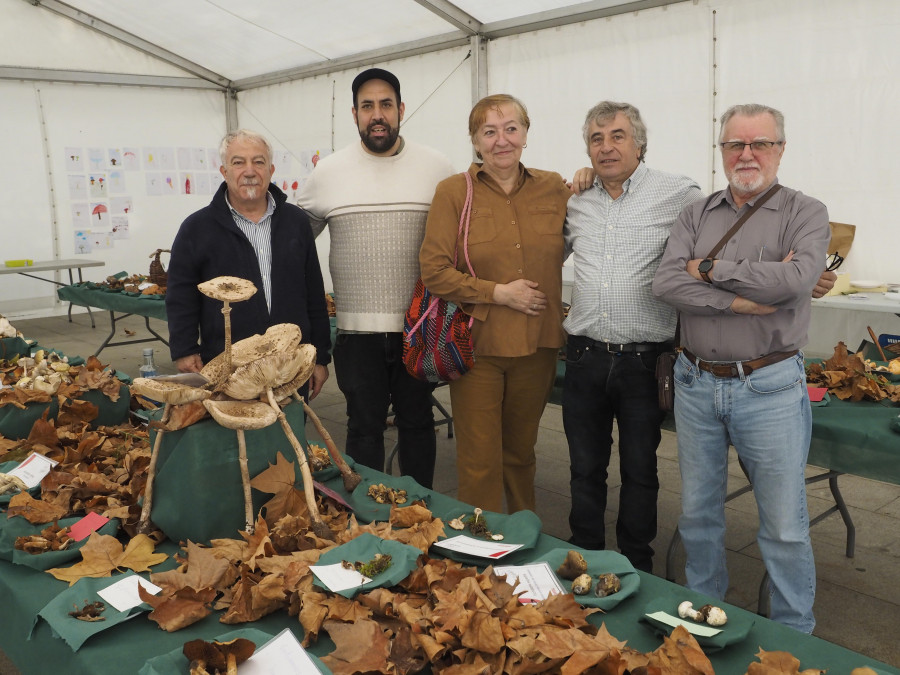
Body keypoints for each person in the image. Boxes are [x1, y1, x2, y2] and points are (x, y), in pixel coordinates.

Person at [652, 103, 830, 632]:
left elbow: (795, 282)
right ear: (722, 150)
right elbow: (665, 283)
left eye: (760, 144)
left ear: (780, 148)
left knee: (783, 524)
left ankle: (794, 632)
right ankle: (705, 620)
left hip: (770, 385)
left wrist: (707, 268)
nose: (746, 154)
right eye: (735, 144)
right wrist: (739, 299)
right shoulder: (695, 213)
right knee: (699, 516)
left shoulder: (807, 211)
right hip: (695, 381)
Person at [297, 68, 454, 489]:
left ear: (401, 110)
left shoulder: (438, 168)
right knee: (363, 428)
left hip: (418, 331)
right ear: (355, 115)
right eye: (368, 106)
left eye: (386, 104)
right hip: (356, 334)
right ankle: (363, 513)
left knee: (418, 425)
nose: (377, 114)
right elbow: (292, 245)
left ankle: (422, 510)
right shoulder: (327, 173)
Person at [563, 101, 703, 573]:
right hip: (584, 356)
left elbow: (722, 232)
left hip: (646, 361)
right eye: (596, 140)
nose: (607, 147)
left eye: (618, 136)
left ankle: (636, 564)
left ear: (639, 143)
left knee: (640, 470)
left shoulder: (678, 192)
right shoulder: (575, 200)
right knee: (585, 467)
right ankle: (585, 556)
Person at [419, 94, 571, 513]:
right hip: (478, 346)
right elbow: (433, 270)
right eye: (489, 131)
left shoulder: (556, 187)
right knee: (480, 459)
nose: (501, 140)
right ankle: (481, 552)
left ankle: (524, 536)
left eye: (510, 128)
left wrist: (591, 177)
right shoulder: (453, 192)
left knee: (521, 454)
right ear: (474, 140)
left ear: (525, 133)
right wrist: (498, 293)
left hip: (538, 344)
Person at [166, 129, 331, 400]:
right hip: (228, 364)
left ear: (271, 169)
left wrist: (320, 356)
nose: (250, 170)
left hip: (289, 364)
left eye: (258, 161)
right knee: (236, 436)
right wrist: (184, 349)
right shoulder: (197, 228)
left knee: (287, 437)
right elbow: (180, 295)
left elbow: (314, 292)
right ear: (224, 171)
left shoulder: (296, 222)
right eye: (238, 162)